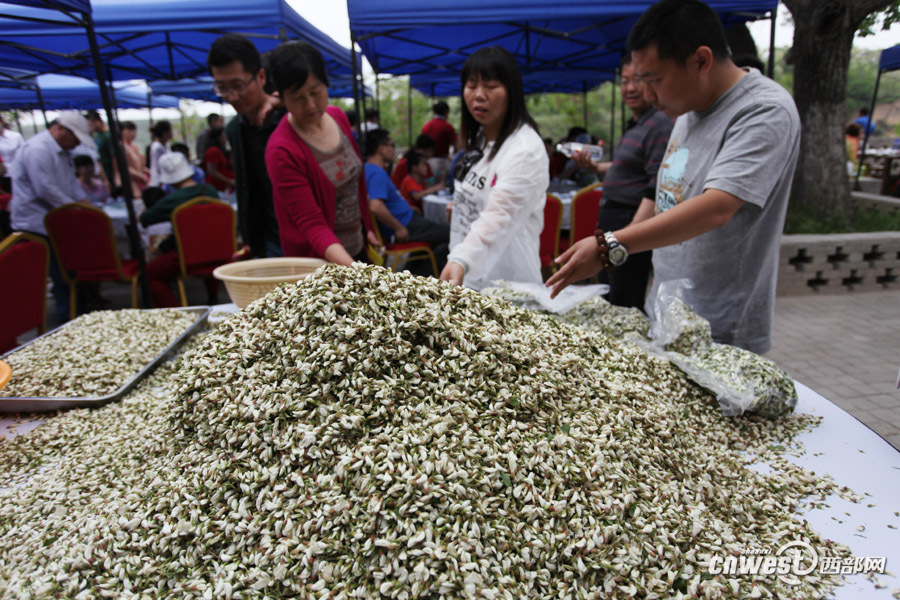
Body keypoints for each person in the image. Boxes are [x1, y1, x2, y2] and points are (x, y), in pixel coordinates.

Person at [548, 0, 801, 354]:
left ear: (701, 60)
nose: (648, 96)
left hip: (720, 329)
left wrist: (611, 246)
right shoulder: (687, 109)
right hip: (666, 314)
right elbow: (664, 193)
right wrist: (616, 245)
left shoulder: (764, 111)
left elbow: (716, 207)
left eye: (653, 80)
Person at [440, 46, 549, 289]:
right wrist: (463, 206)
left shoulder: (525, 149)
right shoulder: (480, 139)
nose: (479, 95)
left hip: (508, 284)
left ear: (512, 91)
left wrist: (461, 258)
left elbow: (501, 213)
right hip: (470, 280)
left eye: (490, 86)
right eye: (471, 85)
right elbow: (486, 197)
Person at [571, 54, 673, 310]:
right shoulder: (637, 124)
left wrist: (627, 239)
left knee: (624, 304)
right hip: (614, 225)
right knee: (609, 299)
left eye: (637, 80)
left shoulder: (659, 124)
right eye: (624, 81)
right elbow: (625, 168)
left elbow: (655, 184)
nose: (629, 88)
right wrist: (595, 167)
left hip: (630, 223)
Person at [264, 41, 376, 264]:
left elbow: (357, 184)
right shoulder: (281, 150)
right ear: (281, 97)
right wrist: (356, 272)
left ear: (326, 84)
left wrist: (368, 228)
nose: (310, 105)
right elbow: (311, 223)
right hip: (316, 264)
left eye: (315, 92)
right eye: (297, 98)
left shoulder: (339, 117)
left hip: (356, 251)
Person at [9, 111, 94, 323]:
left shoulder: (63, 153)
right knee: (59, 276)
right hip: (36, 224)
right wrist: (76, 207)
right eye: (75, 139)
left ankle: (77, 313)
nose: (76, 144)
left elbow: (71, 185)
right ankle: (68, 320)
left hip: (58, 223)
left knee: (69, 272)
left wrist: (86, 205)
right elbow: (45, 189)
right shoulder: (38, 149)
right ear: (61, 130)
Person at [208, 33, 284, 258]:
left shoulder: (289, 116)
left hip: (307, 234)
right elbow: (247, 188)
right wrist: (249, 239)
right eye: (222, 88)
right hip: (268, 239)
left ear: (260, 77)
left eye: (238, 85)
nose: (231, 96)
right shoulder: (234, 129)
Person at [139, 152, 220, 307]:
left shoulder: (172, 200)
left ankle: (174, 311)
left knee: (149, 274)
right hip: (217, 254)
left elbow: (145, 219)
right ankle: (213, 296)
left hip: (187, 257)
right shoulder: (210, 191)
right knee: (206, 246)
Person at [364, 128, 450, 272]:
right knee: (452, 233)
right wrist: (398, 227)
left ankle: (414, 272)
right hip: (407, 224)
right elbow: (376, 206)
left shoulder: (369, 169)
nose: (393, 149)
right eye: (391, 145)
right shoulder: (376, 172)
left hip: (409, 218)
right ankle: (421, 276)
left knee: (439, 239)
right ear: (381, 149)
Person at [114, 120, 150, 199]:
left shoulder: (133, 146)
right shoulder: (121, 147)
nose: (133, 133)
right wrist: (140, 175)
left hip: (140, 179)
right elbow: (124, 167)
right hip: (130, 181)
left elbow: (140, 165)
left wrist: (148, 171)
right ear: (122, 132)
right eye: (129, 130)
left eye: (134, 130)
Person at [421, 100, 457, 177]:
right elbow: (456, 146)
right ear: (446, 112)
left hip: (427, 162)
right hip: (442, 162)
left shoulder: (426, 126)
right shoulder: (448, 127)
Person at [86, 110, 114, 185]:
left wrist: (116, 175)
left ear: (97, 121)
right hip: (101, 172)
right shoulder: (95, 135)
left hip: (110, 171)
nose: (90, 127)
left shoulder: (108, 135)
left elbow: (114, 157)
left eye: (91, 124)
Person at [203, 126, 235, 192]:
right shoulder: (213, 151)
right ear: (218, 138)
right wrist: (229, 181)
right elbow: (212, 171)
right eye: (223, 136)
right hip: (216, 188)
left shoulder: (218, 150)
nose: (225, 138)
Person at [148, 120, 173, 186]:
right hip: (159, 180)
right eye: (170, 131)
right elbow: (159, 167)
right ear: (165, 132)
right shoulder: (157, 147)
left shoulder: (167, 145)